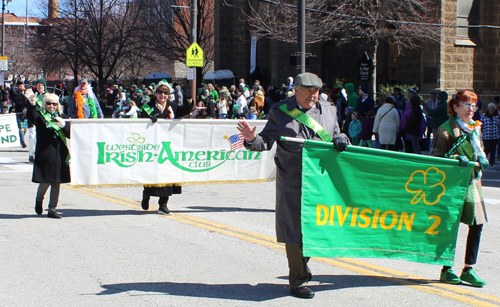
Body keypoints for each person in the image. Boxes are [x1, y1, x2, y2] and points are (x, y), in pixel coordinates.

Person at [237, 72, 349, 299]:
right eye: (308, 90)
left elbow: (337, 133)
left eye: (316, 90)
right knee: (294, 230)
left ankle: (302, 266)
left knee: (313, 229)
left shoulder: (329, 108)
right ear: (295, 90)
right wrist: (250, 139)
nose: (313, 94)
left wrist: (342, 138)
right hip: (293, 180)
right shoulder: (280, 112)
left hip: (321, 179)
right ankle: (297, 280)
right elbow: (265, 142)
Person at [431, 90, 489, 287]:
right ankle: (446, 269)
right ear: (455, 107)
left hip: (473, 183)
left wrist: (482, 159)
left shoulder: (475, 128)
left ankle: (469, 268)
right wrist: (456, 159)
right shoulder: (445, 129)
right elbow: (437, 157)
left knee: (477, 224)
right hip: (452, 186)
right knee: (451, 226)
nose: (471, 109)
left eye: (474, 105)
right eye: (466, 104)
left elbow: (479, 150)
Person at [26, 92, 70, 219]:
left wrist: (64, 126)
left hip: (60, 152)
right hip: (46, 152)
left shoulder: (63, 116)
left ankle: (52, 209)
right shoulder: (40, 116)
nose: (52, 106)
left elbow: (70, 134)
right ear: (45, 105)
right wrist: (32, 104)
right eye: (49, 104)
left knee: (57, 182)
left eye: (54, 104)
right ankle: (39, 199)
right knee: (46, 180)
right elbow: (31, 116)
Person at [140, 80, 180, 214]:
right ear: (156, 93)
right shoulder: (147, 106)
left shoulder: (172, 106)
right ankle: (146, 194)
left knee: (168, 174)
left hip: (169, 145)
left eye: (166, 93)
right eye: (160, 92)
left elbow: (185, 111)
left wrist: (190, 99)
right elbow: (140, 124)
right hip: (153, 145)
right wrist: (150, 120)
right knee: (152, 174)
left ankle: (163, 204)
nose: (163, 95)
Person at [27, 79, 48, 163]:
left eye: (42, 85)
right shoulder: (32, 95)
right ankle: (31, 154)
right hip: (34, 119)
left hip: (43, 119)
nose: (40, 87)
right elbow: (29, 109)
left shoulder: (47, 95)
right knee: (32, 136)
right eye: (38, 85)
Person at [480, 103, 500, 169]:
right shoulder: (483, 116)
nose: (491, 110)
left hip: (494, 136)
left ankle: (492, 163)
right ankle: (485, 161)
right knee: (486, 149)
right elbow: (481, 126)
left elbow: (498, 126)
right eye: (490, 108)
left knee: (493, 150)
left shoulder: (497, 117)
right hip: (486, 136)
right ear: (488, 109)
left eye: (493, 108)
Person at [10, 80, 29, 147]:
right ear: (18, 87)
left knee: (25, 128)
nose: (21, 87)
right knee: (21, 127)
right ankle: (22, 141)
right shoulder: (16, 94)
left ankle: (22, 138)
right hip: (20, 112)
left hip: (27, 112)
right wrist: (24, 106)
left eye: (22, 86)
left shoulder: (26, 93)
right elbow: (17, 103)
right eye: (20, 86)